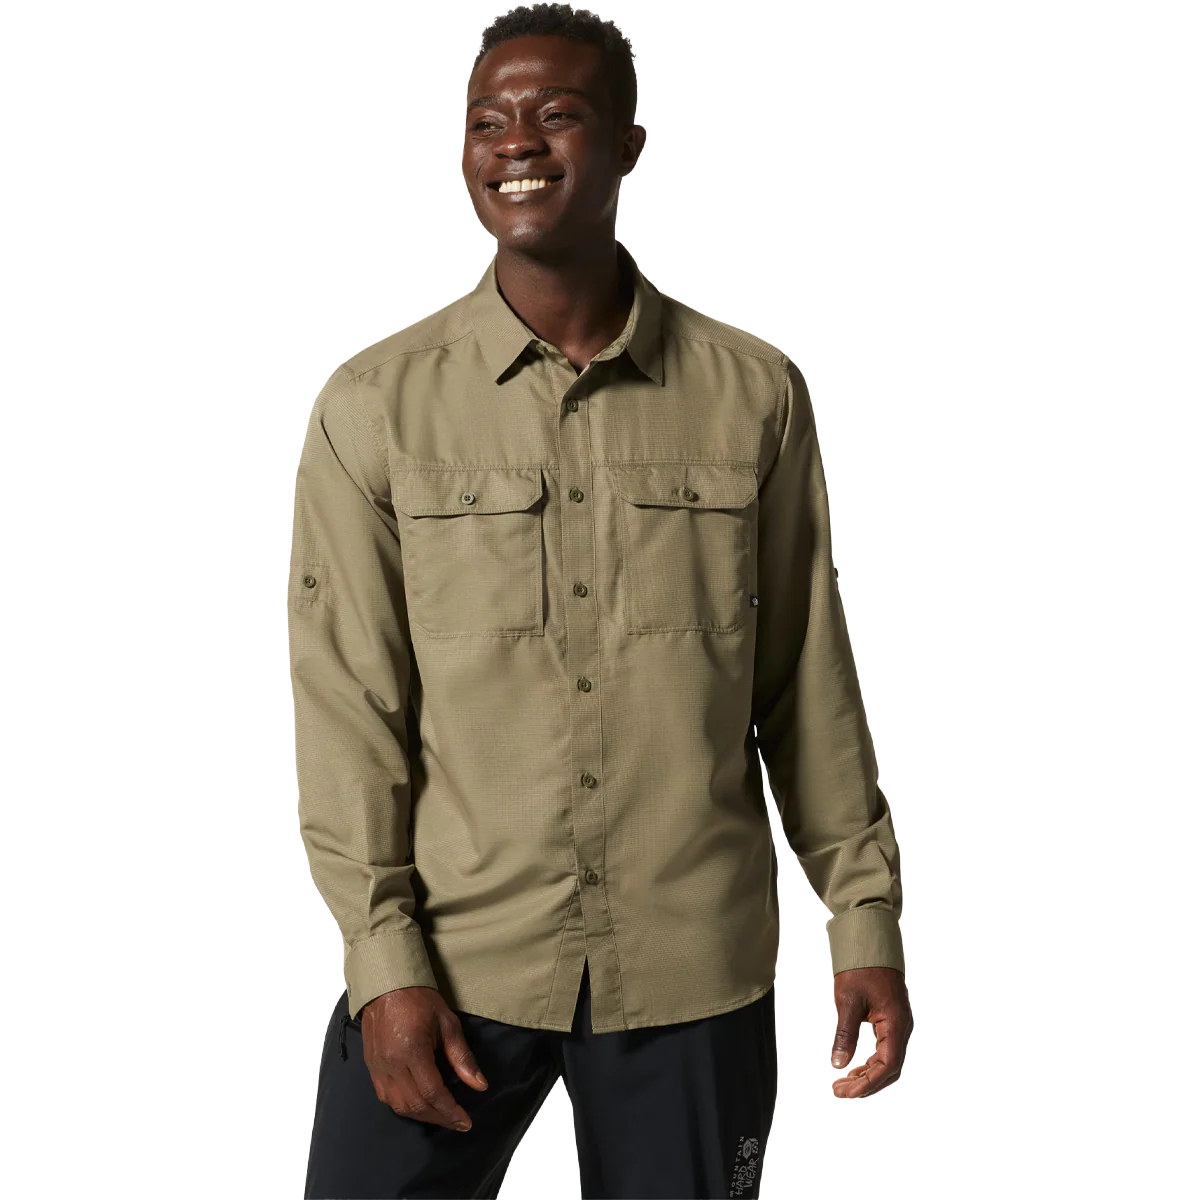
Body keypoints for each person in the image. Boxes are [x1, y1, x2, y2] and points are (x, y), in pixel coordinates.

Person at [288, 4, 913, 1197]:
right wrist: (383, 960)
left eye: (556, 113)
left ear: (630, 143)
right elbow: (347, 708)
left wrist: (863, 916)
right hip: (456, 960)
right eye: (488, 120)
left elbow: (805, 683)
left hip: (691, 966)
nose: (516, 141)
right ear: (463, 155)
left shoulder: (753, 395)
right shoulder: (374, 407)